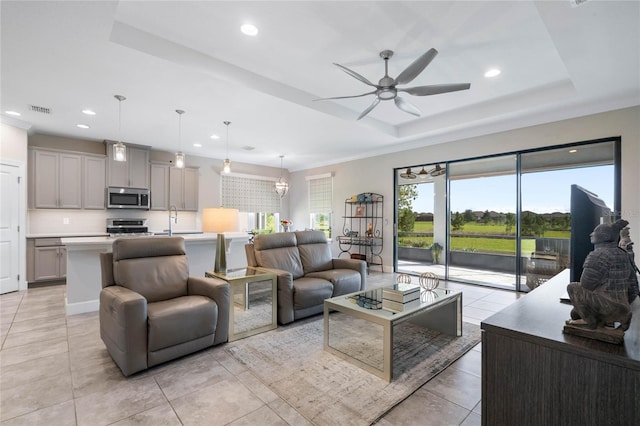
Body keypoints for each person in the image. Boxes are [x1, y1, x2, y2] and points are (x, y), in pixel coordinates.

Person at [566, 219, 639, 331]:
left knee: (572, 287)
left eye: (595, 232)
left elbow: (586, 285)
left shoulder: (597, 255)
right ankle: (617, 316)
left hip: (607, 306)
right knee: (575, 313)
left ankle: (591, 322)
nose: (591, 234)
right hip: (624, 306)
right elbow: (634, 287)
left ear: (603, 236)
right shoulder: (624, 254)